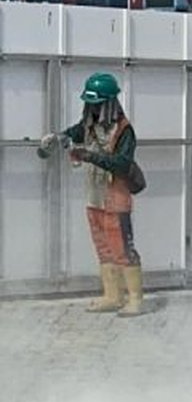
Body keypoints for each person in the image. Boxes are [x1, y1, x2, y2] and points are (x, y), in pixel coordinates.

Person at [38, 73, 146, 317]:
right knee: (103, 248)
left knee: (122, 249)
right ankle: (112, 295)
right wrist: (55, 139)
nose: (92, 108)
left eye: (96, 104)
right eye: (89, 103)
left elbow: (121, 163)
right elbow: (71, 133)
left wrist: (88, 155)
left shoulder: (124, 131)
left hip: (116, 197)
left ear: (108, 103)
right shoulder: (88, 125)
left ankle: (135, 299)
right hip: (94, 196)